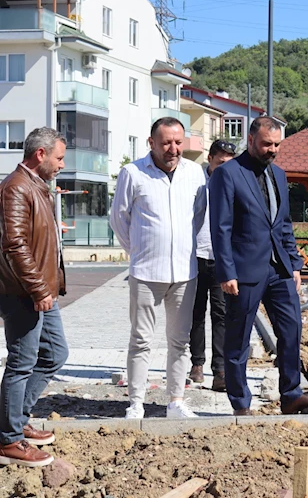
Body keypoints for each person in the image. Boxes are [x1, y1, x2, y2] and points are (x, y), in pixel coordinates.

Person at [209, 116, 308, 416]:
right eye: (266, 144)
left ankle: (291, 395)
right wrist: (227, 271)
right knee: (239, 338)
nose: (272, 149)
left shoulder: (279, 174)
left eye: (276, 144)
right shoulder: (228, 174)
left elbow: (283, 224)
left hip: (280, 270)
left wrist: (295, 264)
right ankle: (240, 403)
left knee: (291, 330)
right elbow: (220, 227)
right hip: (244, 270)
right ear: (250, 141)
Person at [110, 117, 207, 420]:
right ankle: (136, 402)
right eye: (166, 142)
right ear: (151, 143)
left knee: (179, 341)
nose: (173, 148)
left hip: (184, 273)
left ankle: (176, 401)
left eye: (178, 142)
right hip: (145, 273)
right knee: (141, 340)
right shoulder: (133, 173)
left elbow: (200, 216)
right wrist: (138, 250)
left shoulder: (196, 174)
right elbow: (119, 218)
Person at [0, 128, 68, 468]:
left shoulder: (38, 187)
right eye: (58, 158)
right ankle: (9, 440)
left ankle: (14, 419)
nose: (61, 164)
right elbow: (14, 245)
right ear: (40, 154)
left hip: (42, 291)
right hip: (23, 292)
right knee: (21, 363)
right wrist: (39, 288)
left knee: (55, 353)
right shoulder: (16, 187)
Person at [189, 140, 236, 392]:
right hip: (195, 255)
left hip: (220, 258)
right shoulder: (196, 182)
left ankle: (219, 369)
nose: (224, 168)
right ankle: (197, 363)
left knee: (220, 314)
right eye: (220, 162)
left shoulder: (232, 183)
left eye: (229, 163)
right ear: (210, 159)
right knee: (195, 313)